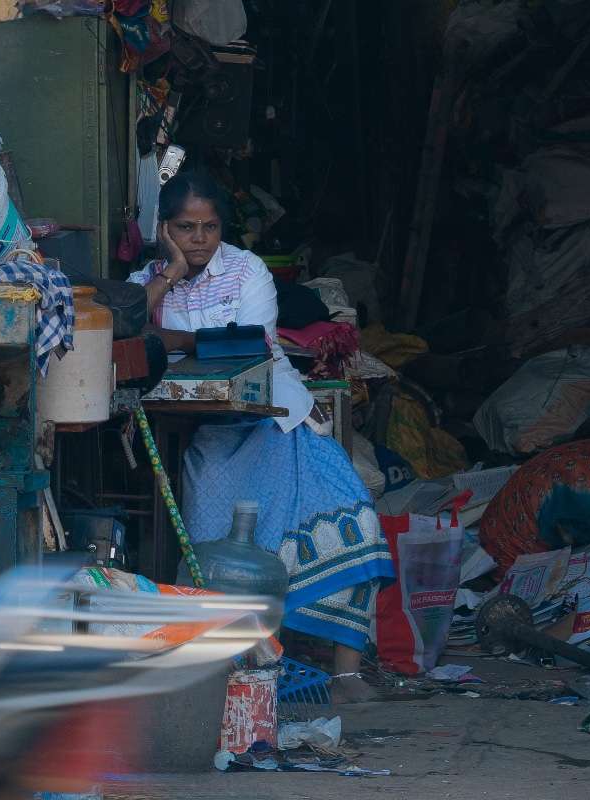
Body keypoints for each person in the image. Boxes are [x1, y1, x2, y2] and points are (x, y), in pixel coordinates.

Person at [128, 171, 393, 701]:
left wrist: (173, 339)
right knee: (212, 547)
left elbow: (249, 345)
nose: (199, 238)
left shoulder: (248, 271)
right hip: (211, 436)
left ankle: (345, 674)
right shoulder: (146, 281)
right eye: (184, 228)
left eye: (209, 227)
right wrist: (173, 274)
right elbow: (132, 329)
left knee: (355, 516)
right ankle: (233, 678)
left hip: (277, 421)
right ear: (163, 230)